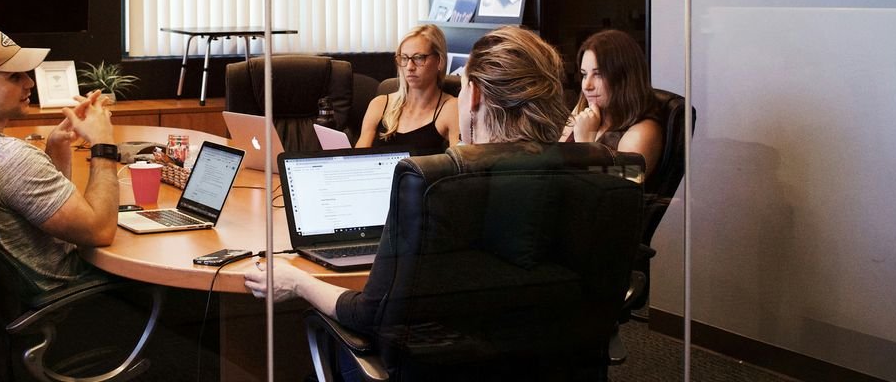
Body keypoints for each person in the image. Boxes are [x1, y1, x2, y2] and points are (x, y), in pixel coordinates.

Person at [245, 25, 569, 330]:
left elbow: (368, 312)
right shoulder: (589, 178)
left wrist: (297, 281)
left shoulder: (434, 194)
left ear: (475, 97)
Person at [0, 26, 120, 291]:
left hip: (12, 295)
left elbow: (38, 207)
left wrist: (56, 147)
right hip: (70, 294)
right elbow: (99, 231)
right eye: (14, 77)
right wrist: (103, 144)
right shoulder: (9, 158)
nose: (30, 82)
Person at [563, 29, 663, 177]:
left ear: (624, 77)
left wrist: (585, 144)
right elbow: (553, 163)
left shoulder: (643, 132)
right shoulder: (584, 109)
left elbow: (616, 191)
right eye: (584, 75)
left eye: (598, 74)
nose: (587, 86)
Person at [355, 24, 458, 153]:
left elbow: (461, 165)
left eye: (418, 58)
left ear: (440, 61)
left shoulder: (451, 108)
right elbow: (357, 160)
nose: (409, 66)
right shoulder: (379, 104)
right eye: (404, 58)